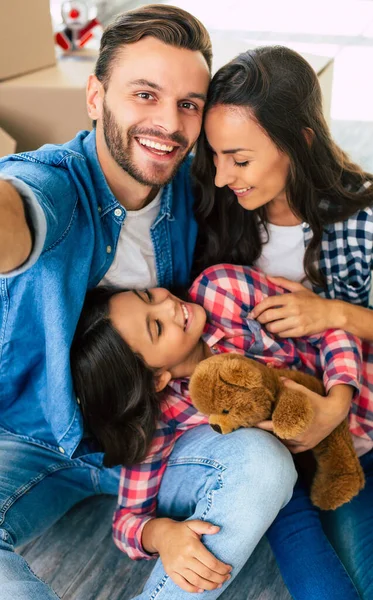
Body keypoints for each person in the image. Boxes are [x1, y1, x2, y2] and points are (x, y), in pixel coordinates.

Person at [0, 6, 294, 599]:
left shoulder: (192, 190)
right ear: (95, 95)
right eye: (144, 94)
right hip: (34, 437)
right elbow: (17, 216)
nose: (169, 123)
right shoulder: (56, 184)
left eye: (188, 103)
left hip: (163, 429)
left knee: (265, 466)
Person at [192, 45, 373, 599]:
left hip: (352, 416)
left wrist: (333, 315)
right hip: (260, 429)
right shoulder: (214, 211)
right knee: (309, 551)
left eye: (240, 160)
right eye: (215, 156)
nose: (223, 177)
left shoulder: (360, 222)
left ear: (303, 141)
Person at [71, 262, 366, 599]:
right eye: (157, 327)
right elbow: (126, 522)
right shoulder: (165, 415)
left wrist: (336, 404)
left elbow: (328, 325)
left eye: (148, 295)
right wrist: (163, 534)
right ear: (157, 378)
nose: (167, 305)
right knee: (312, 567)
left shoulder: (222, 288)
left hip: (354, 424)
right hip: (297, 477)